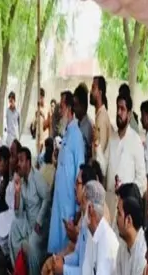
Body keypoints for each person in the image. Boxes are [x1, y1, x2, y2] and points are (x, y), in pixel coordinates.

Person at [47, 90, 86, 256]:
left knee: (64, 251)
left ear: (69, 108)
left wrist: (77, 209)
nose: (59, 111)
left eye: (62, 107)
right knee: (55, 250)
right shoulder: (67, 134)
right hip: (59, 201)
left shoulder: (77, 135)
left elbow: (79, 171)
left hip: (69, 205)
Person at [10, 147, 52, 275]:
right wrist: (17, 192)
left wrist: (39, 221)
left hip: (41, 226)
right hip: (28, 223)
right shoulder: (22, 182)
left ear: (28, 162)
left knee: (32, 245)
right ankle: (19, 273)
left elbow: (47, 198)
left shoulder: (37, 178)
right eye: (18, 161)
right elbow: (18, 212)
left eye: (21, 161)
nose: (18, 164)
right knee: (14, 226)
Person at [101, 92, 146, 195]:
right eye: (118, 108)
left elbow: (141, 179)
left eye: (122, 109)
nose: (118, 112)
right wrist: (97, 147)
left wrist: (127, 192)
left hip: (127, 201)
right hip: (110, 199)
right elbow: (103, 167)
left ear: (129, 115)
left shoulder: (135, 141)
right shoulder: (112, 138)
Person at [91, 76, 113, 174]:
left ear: (100, 93)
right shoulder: (99, 115)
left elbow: (100, 155)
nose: (91, 92)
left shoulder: (102, 118)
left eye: (93, 88)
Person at [74, 82, 94, 162]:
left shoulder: (88, 127)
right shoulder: (76, 123)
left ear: (82, 106)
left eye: (76, 105)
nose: (74, 109)